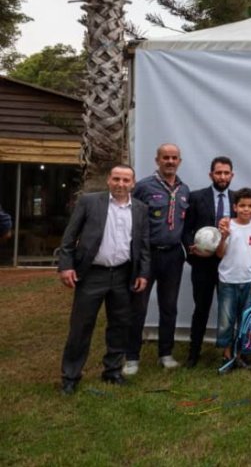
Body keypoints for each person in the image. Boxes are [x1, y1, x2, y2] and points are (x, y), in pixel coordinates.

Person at [58, 165, 150, 394]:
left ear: (133, 183)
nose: (121, 184)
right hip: (92, 274)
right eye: (116, 179)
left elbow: (144, 246)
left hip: (123, 274)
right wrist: (66, 266)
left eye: (126, 180)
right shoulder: (90, 202)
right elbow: (69, 237)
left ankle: (112, 371)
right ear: (108, 180)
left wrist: (143, 273)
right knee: (81, 326)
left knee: (119, 325)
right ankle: (70, 376)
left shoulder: (140, 209)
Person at [126, 143, 190, 375]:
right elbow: (130, 220)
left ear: (179, 161)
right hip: (147, 255)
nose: (170, 161)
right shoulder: (143, 187)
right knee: (138, 307)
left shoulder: (184, 190)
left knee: (169, 307)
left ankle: (166, 353)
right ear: (157, 160)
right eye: (166, 157)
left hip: (173, 256)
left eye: (174, 158)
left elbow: (184, 225)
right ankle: (131, 357)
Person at [181, 156, 234, 368]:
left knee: (228, 311)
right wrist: (190, 249)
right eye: (218, 173)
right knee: (201, 308)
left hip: (229, 266)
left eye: (226, 173)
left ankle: (228, 353)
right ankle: (194, 353)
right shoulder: (196, 197)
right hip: (203, 266)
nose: (222, 177)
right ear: (211, 174)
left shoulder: (239, 199)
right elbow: (186, 229)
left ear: (232, 175)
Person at [215, 188, 251, 368]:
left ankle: (242, 353)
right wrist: (223, 238)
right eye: (242, 206)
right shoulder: (227, 227)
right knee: (226, 320)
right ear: (235, 207)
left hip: (249, 281)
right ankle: (227, 355)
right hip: (228, 281)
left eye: (250, 206)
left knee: (246, 320)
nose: (246, 209)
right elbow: (219, 253)